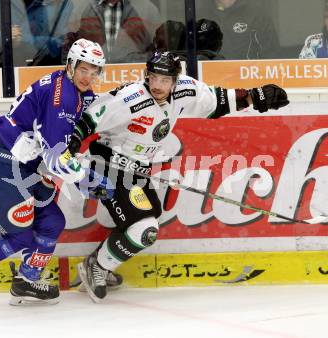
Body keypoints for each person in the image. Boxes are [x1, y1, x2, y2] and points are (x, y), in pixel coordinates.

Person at [66, 50, 289, 303]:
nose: (158, 86)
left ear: (175, 80)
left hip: (137, 171)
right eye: (153, 78)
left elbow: (217, 100)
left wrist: (253, 96)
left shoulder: (185, 89)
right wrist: (70, 148)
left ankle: (100, 260)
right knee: (144, 228)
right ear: (146, 76)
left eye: (165, 80)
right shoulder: (130, 97)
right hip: (109, 167)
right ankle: (98, 266)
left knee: (147, 216)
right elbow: (88, 120)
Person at [0, 38, 114, 309]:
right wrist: (86, 178)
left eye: (95, 72)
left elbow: (92, 111)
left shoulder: (72, 89)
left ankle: (27, 279)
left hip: (25, 163)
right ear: (70, 65)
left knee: (50, 222)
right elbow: (57, 158)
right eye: (84, 69)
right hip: (3, 161)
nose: (89, 77)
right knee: (18, 234)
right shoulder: (62, 97)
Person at [63, 0, 162, 64]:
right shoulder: (81, 8)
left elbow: (157, 50)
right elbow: (69, 47)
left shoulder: (148, 9)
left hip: (134, 79)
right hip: (90, 76)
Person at [196, 0, 280, 59]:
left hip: (246, 80)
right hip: (207, 80)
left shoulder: (257, 15)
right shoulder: (198, 14)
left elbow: (271, 57)